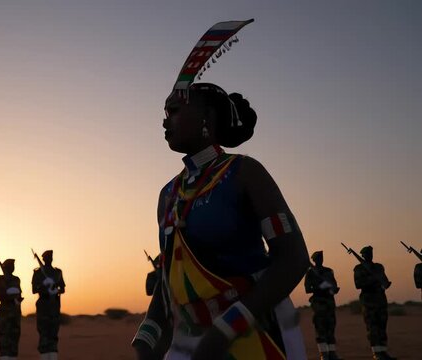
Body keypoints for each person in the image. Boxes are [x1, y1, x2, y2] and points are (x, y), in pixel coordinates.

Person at [131, 19, 310, 360]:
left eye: (174, 110)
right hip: (190, 339)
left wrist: (225, 330)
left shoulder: (244, 172)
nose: (164, 119)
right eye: (163, 112)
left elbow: (293, 259)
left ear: (206, 119)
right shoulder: (168, 195)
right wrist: (146, 339)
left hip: (256, 333)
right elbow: (168, 282)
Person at [353, 246, 396, 360]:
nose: (370, 255)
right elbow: (358, 284)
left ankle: (383, 352)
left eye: (371, 253)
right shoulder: (358, 268)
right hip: (368, 301)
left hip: (380, 300)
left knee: (382, 326)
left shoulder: (378, 267)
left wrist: (384, 284)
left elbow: (385, 280)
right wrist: (373, 279)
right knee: (372, 327)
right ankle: (376, 353)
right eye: (367, 254)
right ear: (363, 255)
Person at [304, 251, 341, 360]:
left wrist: (333, 289)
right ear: (314, 260)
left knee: (331, 328)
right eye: (318, 258)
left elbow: (334, 285)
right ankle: (324, 355)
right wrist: (320, 287)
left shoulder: (329, 271)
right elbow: (307, 289)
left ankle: (332, 354)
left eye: (321, 258)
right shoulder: (310, 273)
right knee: (320, 329)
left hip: (329, 302)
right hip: (318, 303)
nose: (321, 260)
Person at [32, 250, 65, 360]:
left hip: (54, 305)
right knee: (43, 332)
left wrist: (55, 289)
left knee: (54, 332)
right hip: (43, 305)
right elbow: (34, 290)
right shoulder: (38, 273)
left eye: (50, 257)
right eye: (47, 257)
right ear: (44, 259)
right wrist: (44, 287)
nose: (49, 259)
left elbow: (63, 289)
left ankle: (53, 356)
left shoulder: (58, 272)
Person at [0, 259, 23, 360]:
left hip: (15, 311)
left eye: (13, 265)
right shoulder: (0, 279)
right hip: (5, 311)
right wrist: (8, 295)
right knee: (4, 336)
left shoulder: (16, 280)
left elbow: (19, 293)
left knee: (15, 335)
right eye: (10, 265)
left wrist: (17, 298)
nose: (12, 267)